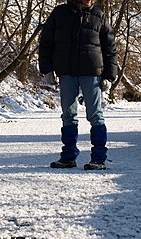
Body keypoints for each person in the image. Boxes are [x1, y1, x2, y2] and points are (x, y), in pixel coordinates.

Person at [39, 0, 117, 170]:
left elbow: (110, 48)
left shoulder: (99, 16)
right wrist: (47, 69)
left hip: (92, 73)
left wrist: (109, 76)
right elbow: (46, 42)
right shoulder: (59, 14)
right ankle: (68, 157)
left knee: (96, 115)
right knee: (68, 115)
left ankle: (98, 158)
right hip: (66, 72)